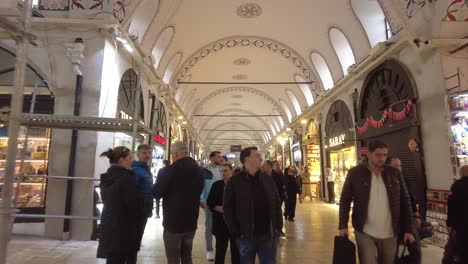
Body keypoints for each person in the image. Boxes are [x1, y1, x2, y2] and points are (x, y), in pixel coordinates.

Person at [339, 140, 415, 264]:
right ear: (368, 154)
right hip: (364, 230)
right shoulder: (355, 173)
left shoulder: (394, 173)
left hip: (390, 231)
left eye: (384, 155)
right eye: (378, 155)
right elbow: (345, 199)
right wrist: (342, 225)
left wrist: (408, 228)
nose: (382, 158)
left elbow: (405, 201)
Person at [223, 147, 283, 264]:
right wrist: (236, 232)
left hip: (268, 235)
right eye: (257, 156)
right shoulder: (235, 182)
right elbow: (228, 209)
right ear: (247, 159)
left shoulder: (267, 179)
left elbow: (276, 203)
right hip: (246, 236)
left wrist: (277, 228)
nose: (261, 158)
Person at [153, 141, 204, 264]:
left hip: (173, 222)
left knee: (173, 258)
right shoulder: (199, 171)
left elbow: (156, 193)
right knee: (187, 256)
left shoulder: (168, 170)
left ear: (175, 154)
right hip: (191, 220)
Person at [97, 146, 139, 264]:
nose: (132, 160)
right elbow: (132, 204)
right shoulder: (126, 178)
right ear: (121, 160)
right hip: (123, 226)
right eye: (130, 158)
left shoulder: (108, 176)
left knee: (113, 258)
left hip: (111, 223)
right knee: (120, 257)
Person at [386, 156, 422, 264]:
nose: (398, 168)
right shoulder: (384, 181)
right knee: (392, 254)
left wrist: (416, 214)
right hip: (391, 223)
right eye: (395, 166)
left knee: (416, 253)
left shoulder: (403, 179)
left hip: (407, 220)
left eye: (400, 166)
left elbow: (409, 197)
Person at [207, 164, 240, 264]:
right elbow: (210, 202)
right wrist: (218, 208)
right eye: (221, 171)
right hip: (220, 223)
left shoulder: (238, 185)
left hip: (235, 224)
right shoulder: (217, 185)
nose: (223, 173)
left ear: (231, 171)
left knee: (236, 251)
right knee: (220, 250)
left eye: (225, 171)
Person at [201, 151, 223, 261]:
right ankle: (209, 250)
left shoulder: (221, 169)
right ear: (212, 158)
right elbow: (201, 185)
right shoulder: (205, 171)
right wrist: (202, 200)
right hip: (209, 202)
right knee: (209, 227)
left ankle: (220, 247)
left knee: (221, 227)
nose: (220, 158)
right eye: (218, 157)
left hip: (221, 202)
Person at [131, 144, 154, 250]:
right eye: (144, 153)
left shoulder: (145, 169)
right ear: (138, 154)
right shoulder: (135, 170)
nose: (147, 155)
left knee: (137, 240)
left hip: (145, 209)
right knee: (134, 241)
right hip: (138, 210)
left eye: (149, 152)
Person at [447, 165, 468, 263]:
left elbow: (451, 205)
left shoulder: (456, 185)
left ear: (461, 173)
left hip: (461, 224)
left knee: (462, 248)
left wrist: (449, 223)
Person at [262, 160, 286, 237]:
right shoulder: (263, 176)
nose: (262, 167)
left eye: (264, 166)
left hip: (278, 197)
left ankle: (278, 229)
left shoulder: (277, 175)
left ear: (269, 166)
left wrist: (280, 196)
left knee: (277, 212)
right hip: (268, 199)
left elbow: (282, 186)